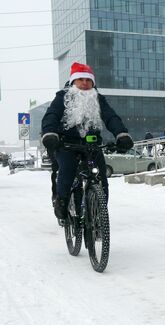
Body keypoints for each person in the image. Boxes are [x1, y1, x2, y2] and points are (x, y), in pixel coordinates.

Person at [41, 62, 133, 219]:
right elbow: (52, 114)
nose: (84, 83)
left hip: (91, 145)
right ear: (73, 82)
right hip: (66, 144)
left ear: (93, 83)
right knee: (67, 170)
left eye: (88, 80)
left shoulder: (97, 98)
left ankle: (98, 215)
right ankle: (62, 202)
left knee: (101, 179)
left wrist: (121, 134)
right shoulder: (63, 97)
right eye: (80, 79)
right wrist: (50, 132)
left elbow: (110, 117)